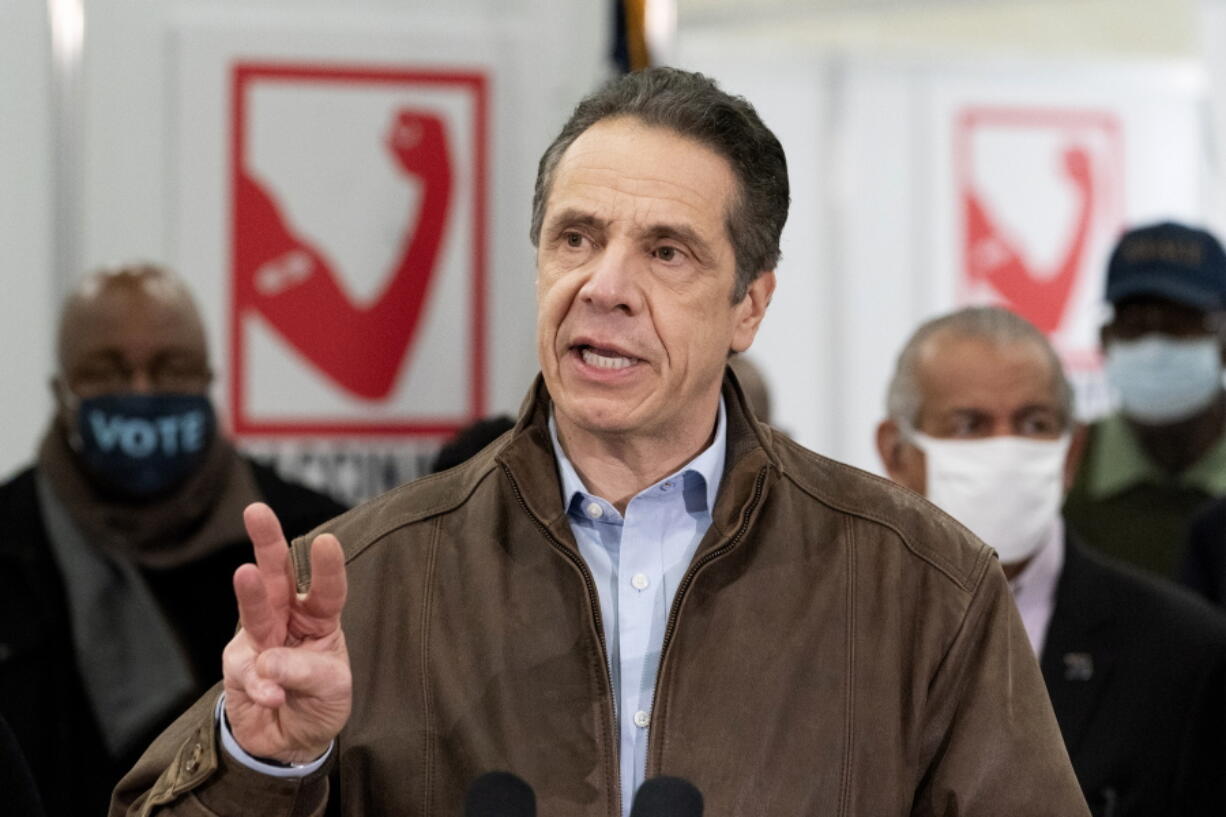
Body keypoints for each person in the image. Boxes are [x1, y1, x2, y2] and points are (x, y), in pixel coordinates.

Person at [112, 68, 1087, 817]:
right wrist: (265, 762)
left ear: (748, 304)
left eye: (665, 251)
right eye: (575, 237)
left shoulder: (920, 585)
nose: (604, 284)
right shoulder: (366, 578)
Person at [0, 263, 347, 817]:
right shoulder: (10, 541)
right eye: (107, 371)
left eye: (172, 368)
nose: (142, 393)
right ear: (61, 391)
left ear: (208, 379)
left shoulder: (309, 538)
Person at [876, 305, 1226, 816]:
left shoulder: (1184, 651)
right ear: (897, 453)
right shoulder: (827, 630)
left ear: (1070, 453)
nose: (1006, 448)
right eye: (969, 425)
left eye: (1034, 423)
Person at [1064, 221, 1226, 580]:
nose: (1154, 347)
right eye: (1135, 325)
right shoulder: (1067, 472)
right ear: (1105, 340)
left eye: (1179, 322)